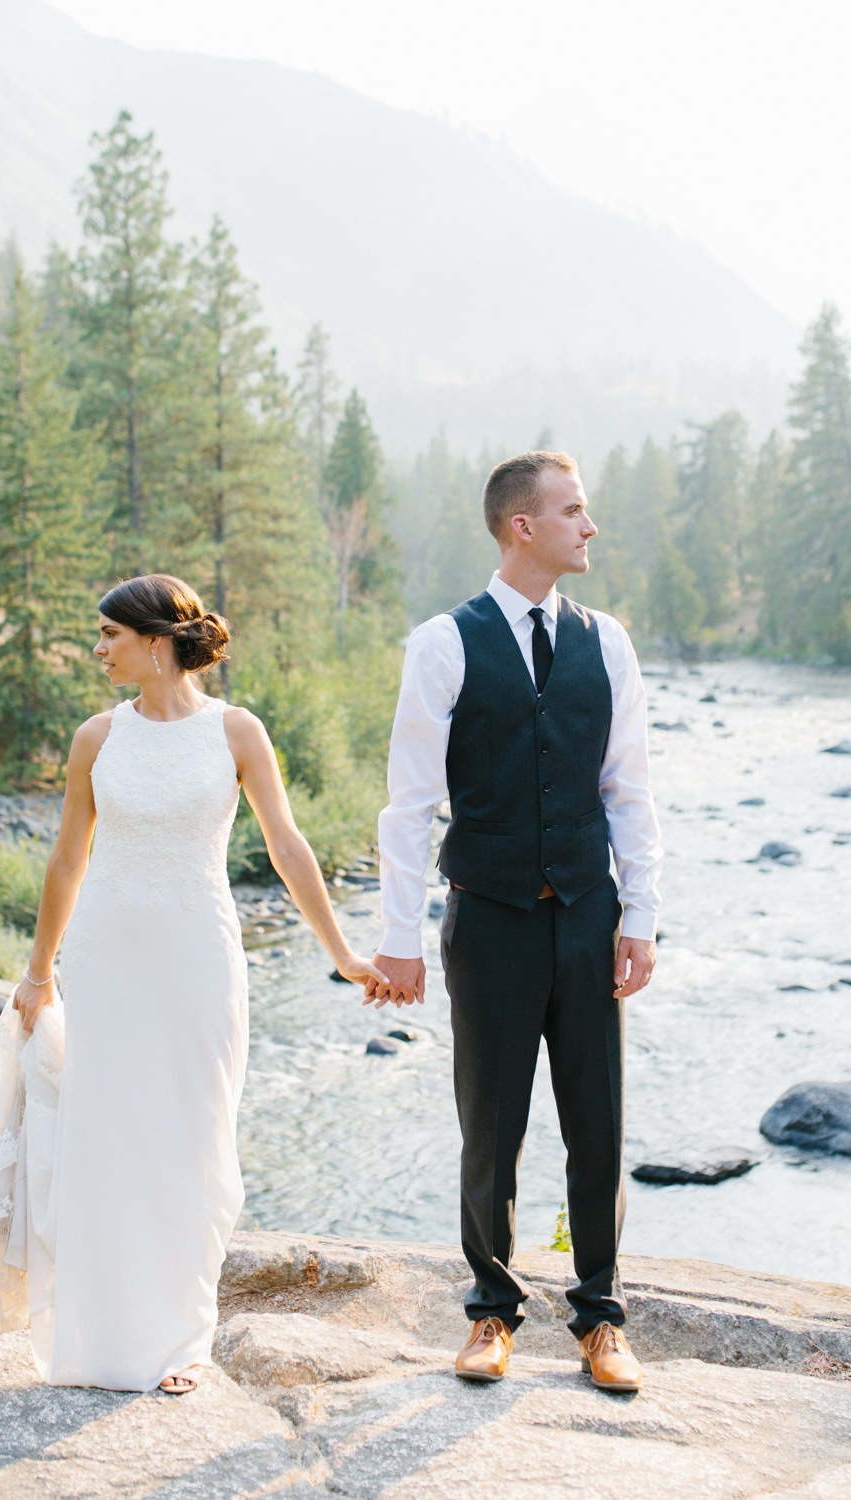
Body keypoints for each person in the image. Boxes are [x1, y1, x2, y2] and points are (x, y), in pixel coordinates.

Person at [0, 573, 386, 1395]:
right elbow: (66, 861)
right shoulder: (96, 737)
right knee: (107, 1142)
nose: (98, 651)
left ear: (156, 642)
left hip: (198, 957)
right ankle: (97, 1341)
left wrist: (342, 952)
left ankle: (183, 1343)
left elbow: (288, 847)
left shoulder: (238, 732)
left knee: (194, 1140)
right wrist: (37, 971)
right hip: (105, 960)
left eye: (109, 636)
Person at [367, 452, 662, 1392]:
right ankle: (492, 1313)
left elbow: (628, 790)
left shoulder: (606, 642)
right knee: (492, 1124)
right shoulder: (442, 644)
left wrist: (641, 916)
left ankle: (601, 1318)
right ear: (520, 527)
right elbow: (408, 804)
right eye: (574, 512)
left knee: (599, 1123)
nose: (591, 527)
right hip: (487, 920)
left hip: (586, 915)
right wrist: (398, 937)